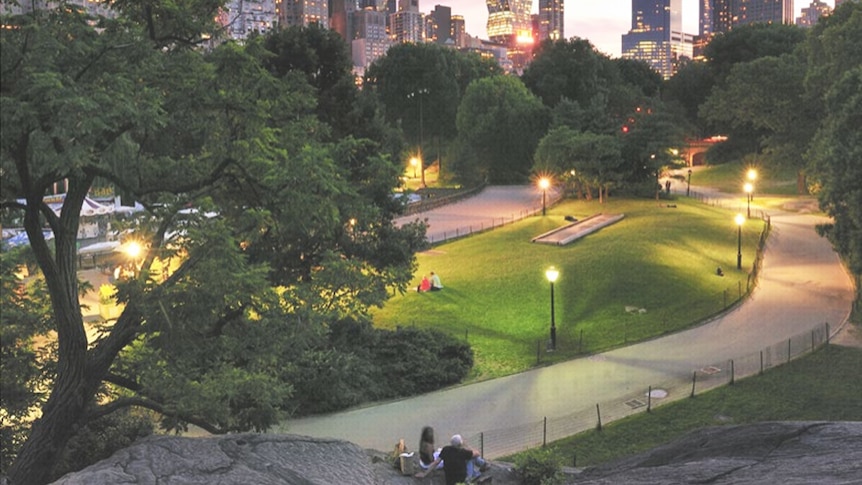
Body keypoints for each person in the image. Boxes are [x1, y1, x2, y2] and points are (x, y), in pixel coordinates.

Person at [415, 434, 486, 484]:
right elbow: (477, 453)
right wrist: (466, 445)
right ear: (460, 443)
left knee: (470, 457)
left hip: (450, 481)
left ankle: (482, 466)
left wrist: (424, 474)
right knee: (472, 458)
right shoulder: (463, 452)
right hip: (462, 480)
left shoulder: (446, 449)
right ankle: (480, 467)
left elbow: (436, 462)